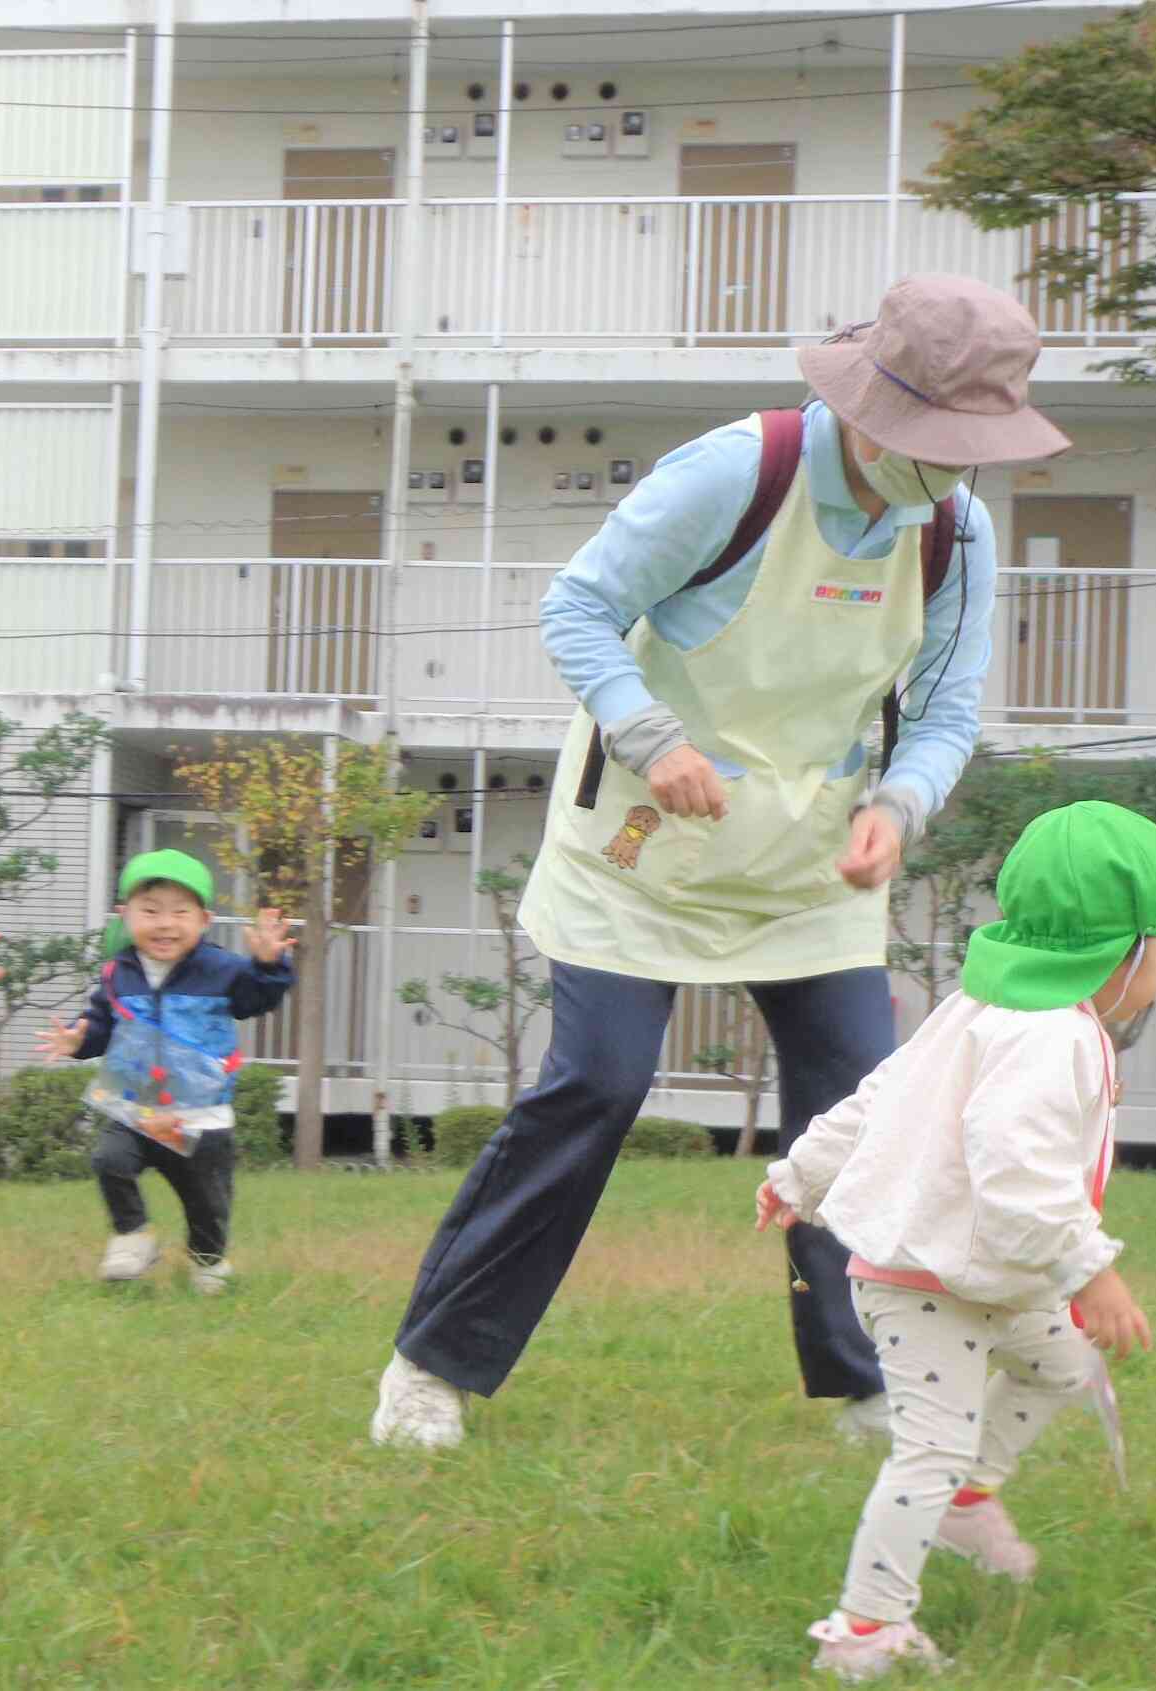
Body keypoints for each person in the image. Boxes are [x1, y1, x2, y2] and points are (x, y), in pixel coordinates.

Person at [373, 274, 1073, 1450]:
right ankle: (431, 1365)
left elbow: (948, 709)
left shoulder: (955, 527)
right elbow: (577, 606)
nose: (948, 467)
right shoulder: (736, 472)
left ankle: (865, 1377)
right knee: (593, 1084)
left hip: (811, 863)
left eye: (969, 447)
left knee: (863, 1109)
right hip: (642, 845)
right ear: (868, 402)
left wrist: (899, 807)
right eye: (933, 440)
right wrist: (652, 737)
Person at [754, 800, 1156, 1681]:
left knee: (1061, 1365)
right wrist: (1091, 1273)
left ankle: (969, 1503)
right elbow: (1017, 1179)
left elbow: (880, 1091)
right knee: (926, 1445)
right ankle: (865, 1631)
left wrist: (799, 1173)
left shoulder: (983, 1003)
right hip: (929, 1284)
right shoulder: (1048, 1037)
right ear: (1118, 952)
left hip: (987, 1273)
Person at [38, 849, 294, 1294]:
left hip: (200, 1113)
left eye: (180, 913)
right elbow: (102, 1023)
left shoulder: (221, 970)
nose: (165, 924)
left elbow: (258, 999)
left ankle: (208, 1262)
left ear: (203, 920)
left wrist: (269, 966)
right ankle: (133, 1236)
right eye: (150, 912)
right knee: (108, 1161)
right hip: (134, 1106)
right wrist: (78, 1042)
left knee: (207, 1201)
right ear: (125, 915)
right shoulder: (119, 972)